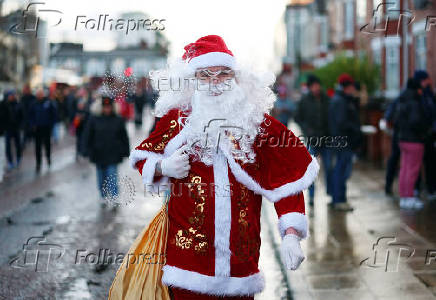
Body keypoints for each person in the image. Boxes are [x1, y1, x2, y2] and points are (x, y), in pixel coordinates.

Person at [126, 35, 319, 299]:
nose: (215, 83)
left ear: (236, 79)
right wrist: (164, 167)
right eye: (205, 75)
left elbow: (286, 178)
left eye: (223, 74)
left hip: (241, 263)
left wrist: (292, 233)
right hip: (187, 263)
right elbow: (141, 158)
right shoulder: (178, 120)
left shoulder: (254, 123)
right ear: (193, 80)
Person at [83, 95, 130, 207]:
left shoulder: (118, 119)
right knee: (101, 177)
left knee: (112, 176)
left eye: (109, 107)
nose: (107, 109)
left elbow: (124, 136)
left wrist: (126, 151)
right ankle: (103, 196)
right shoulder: (94, 119)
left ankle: (114, 196)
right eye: (105, 107)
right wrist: (85, 149)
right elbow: (87, 135)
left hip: (113, 153)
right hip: (98, 153)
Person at [295, 74, 332, 206]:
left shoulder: (326, 99)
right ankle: (311, 197)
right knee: (311, 170)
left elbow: (331, 117)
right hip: (312, 140)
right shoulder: (304, 100)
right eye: (314, 86)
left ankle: (330, 194)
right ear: (310, 87)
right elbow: (297, 117)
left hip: (326, 139)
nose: (317, 88)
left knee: (329, 167)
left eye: (318, 85)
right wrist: (306, 129)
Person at [395, 78, 432, 209]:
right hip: (414, 141)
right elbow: (416, 122)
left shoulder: (402, 100)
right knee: (412, 170)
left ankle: (404, 196)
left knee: (404, 169)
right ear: (418, 89)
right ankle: (409, 197)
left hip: (403, 139)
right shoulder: (415, 103)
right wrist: (424, 133)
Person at [328, 74, 362, 211]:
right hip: (343, 141)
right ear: (347, 87)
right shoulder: (341, 101)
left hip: (341, 140)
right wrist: (356, 129)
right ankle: (339, 199)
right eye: (352, 86)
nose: (354, 89)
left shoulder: (341, 99)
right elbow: (342, 123)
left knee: (340, 170)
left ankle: (338, 198)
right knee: (342, 171)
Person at [413, 70, 436, 200]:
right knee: (416, 164)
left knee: (430, 162)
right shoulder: (417, 94)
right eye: (427, 79)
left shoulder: (429, 94)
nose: (430, 81)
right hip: (419, 135)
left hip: (430, 134)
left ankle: (431, 188)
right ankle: (415, 188)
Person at [29, 88, 57, 173]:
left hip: (46, 128)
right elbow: (30, 115)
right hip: (37, 128)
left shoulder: (48, 102)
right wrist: (32, 124)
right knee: (37, 147)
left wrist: (51, 125)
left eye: (41, 94)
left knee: (47, 145)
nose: (39, 96)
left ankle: (48, 158)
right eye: (38, 94)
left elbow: (54, 114)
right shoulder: (34, 103)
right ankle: (38, 163)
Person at [1, 90, 23, 171]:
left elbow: (21, 115)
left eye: (13, 95)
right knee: (8, 146)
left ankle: (18, 157)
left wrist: (20, 125)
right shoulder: (3, 105)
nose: (12, 97)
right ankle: (10, 161)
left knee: (18, 144)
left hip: (16, 128)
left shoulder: (17, 104)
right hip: (7, 128)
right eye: (10, 95)